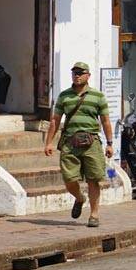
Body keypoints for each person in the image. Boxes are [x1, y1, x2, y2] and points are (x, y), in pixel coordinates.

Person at [43, 62, 114, 228]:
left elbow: (105, 121)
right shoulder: (64, 96)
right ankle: (80, 198)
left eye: (81, 73)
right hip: (70, 142)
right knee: (69, 179)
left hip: (92, 142)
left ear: (88, 75)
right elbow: (55, 120)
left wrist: (110, 144)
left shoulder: (98, 96)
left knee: (93, 179)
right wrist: (49, 143)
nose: (77, 75)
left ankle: (94, 215)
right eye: (74, 72)